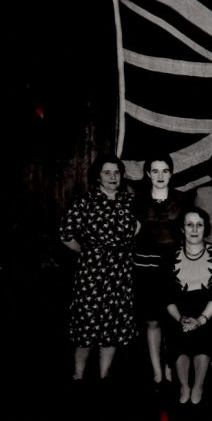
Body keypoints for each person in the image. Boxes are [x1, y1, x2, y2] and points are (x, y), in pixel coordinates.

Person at [59, 154, 140, 383]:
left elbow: (137, 229)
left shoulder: (129, 201)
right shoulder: (85, 201)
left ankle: (104, 377)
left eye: (116, 172)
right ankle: (78, 376)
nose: (112, 177)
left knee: (111, 329)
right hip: (91, 275)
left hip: (120, 274)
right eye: (107, 172)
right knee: (86, 329)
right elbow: (65, 234)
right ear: (97, 176)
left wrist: (119, 249)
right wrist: (86, 252)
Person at [133, 152, 190, 390]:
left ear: (171, 173)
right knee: (153, 321)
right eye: (155, 171)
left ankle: (171, 370)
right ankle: (158, 373)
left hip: (175, 267)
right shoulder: (137, 200)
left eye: (164, 170)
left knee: (173, 321)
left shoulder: (183, 199)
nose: (160, 175)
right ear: (147, 174)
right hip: (146, 268)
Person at [164, 207, 212, 405]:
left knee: (205, 336)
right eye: (189, 225)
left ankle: (198, 385)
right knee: (177, 335)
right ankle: (184, 385)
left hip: (209, 309)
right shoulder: (169, 255)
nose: (194, 229)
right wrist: (180, 318)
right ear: (182, 229)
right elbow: (166, 295)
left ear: (205, 228)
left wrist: (201, 319)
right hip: (179, 310)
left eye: (199, 225)